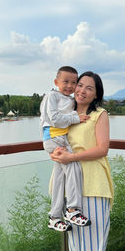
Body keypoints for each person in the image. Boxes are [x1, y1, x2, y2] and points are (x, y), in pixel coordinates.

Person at [50, 71, 113, 251]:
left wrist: (71, 157)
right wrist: (56, 154)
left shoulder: (99, 115)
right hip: (69, 185)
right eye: (80, 85)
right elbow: (55, 141)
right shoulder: (66, 115)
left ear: (96, 94)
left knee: (93, 250)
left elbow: (102, 149)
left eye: (89, 87)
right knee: (76, 248)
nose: (82, 90)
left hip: (94, 184)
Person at [40, 66, 91, 232]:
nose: (70, 85)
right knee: (74, 166)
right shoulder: (52, 96)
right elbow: (53, 118)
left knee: (60, 178)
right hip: (54, 137)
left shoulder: (69, 99)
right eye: (66, 81)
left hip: (62, 139)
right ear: (56, 82)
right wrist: (76, 118)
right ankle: (72, 210)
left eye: (73, 82)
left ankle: (54, 217)